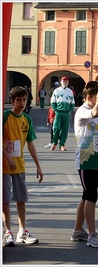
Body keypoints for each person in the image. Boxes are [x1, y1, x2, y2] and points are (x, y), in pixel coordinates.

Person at [3, 86, 44, 247]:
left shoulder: (27, 119)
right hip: (4, 166)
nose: (21, 102)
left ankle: (22, 231)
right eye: (18, 100)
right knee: (5, 199)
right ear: (12, 101)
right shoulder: (5, 117)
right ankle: (7, 232)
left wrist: (38, 166)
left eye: (24, 100)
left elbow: (31, 145)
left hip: (19, 165)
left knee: (21, 198)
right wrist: (7, 158)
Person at [72, 81, 98, 248]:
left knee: (86, 195)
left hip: (96, 159)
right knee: (91, 195)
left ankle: (78, 231)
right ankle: (92, 235)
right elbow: (94, 113)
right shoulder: (83, 110)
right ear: (89, 97)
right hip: (85, 159)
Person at [50, 76, 75, 151]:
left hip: (66, 113)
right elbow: (53, 101)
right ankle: (54, 143)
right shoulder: (56, 91)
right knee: (56, 128)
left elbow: (72, 102)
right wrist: (55, 110)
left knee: (65, 129)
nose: (65, 82)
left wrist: (70, 110)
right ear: (61, 82)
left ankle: (62, 144)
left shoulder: (70, 91)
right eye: (64, 81)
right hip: (58, 112)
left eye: (66, 81)